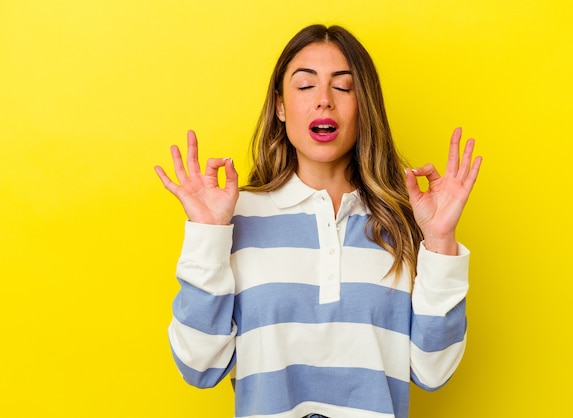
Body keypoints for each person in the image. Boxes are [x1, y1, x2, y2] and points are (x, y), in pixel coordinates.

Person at [155, 24, 482, 418]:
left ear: (365, 106)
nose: (324, 101)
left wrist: (441, 241)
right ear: (280, 106)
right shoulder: (232, 217)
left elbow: (434, 370)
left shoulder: (406, 222)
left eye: (343, 88)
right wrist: (207, 234)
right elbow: (198, 366)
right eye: (305, 86)